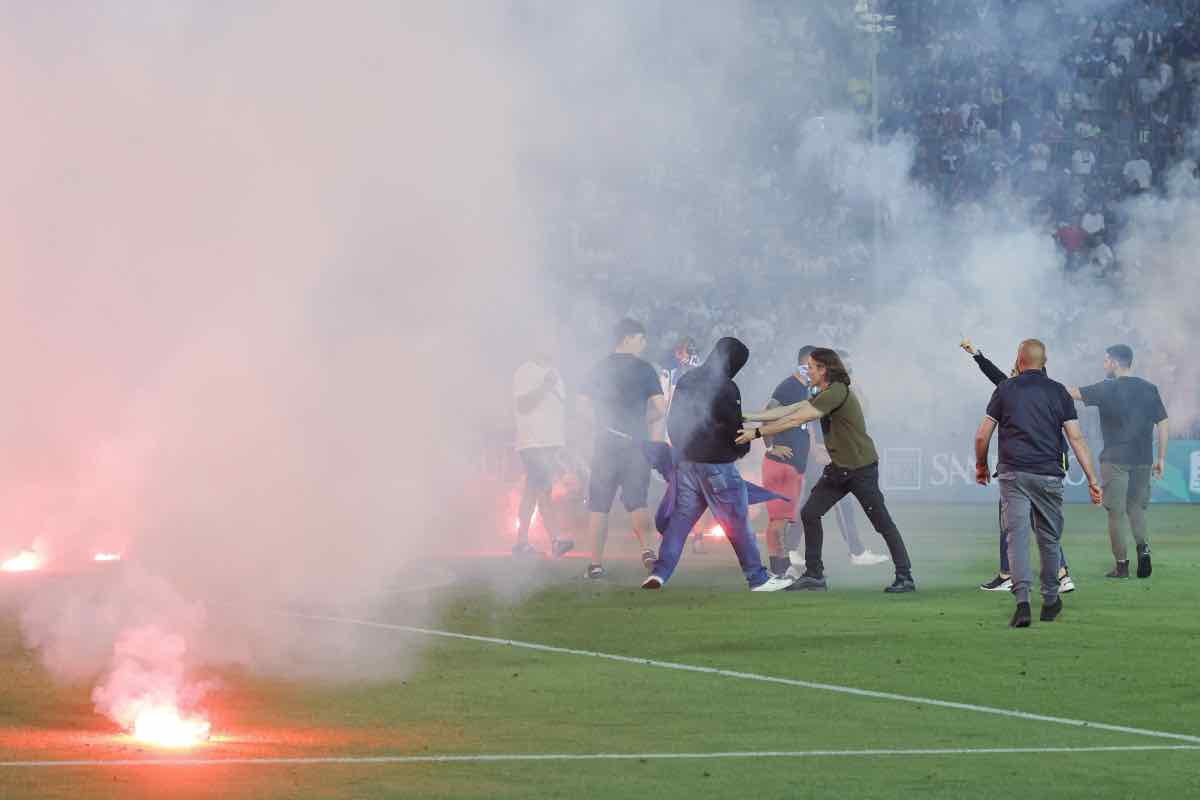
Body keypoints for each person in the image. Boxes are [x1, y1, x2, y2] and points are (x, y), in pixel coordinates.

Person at [739, 348, 915, 593]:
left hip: (860, 469)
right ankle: (815, 575)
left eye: (811, 366)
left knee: (882, 522)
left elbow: (795, 419)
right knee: (810, 513)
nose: (807, 370)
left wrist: (756, 432)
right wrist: (750, 415)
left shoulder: (837, 392)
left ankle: (905, 576)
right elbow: (791, 409)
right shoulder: (823, 392)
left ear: (823, 369)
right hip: (839, 469)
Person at [642, 338, 793, 592]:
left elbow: (673, 422)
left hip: (688, 464)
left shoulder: (687, 380)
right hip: (718, 468)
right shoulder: (727, 388)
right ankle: (758, 578)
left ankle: (660, 573)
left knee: (679, 523)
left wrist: (682, 450)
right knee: (738, 523)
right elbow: (735, 430)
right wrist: (740, 449)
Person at [974, 340, 1102, 629]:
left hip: (1012, 475)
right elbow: (1076, 439)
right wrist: (1093, 479)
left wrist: (981, 466)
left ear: (1019, 361)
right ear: (1044, 362)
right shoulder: (1059, 392)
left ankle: (1022, 603)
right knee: (1048, 539)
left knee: (1016, 538)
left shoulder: (1004, 389)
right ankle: (1050, 600)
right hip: (1048, 475)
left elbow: (982, 435)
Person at [960, 338, 1075, 594]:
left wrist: (976, 354)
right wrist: (976, 354)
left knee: (1014, 524)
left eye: (1014, 370)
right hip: (1047, 467)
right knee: (1041, 524)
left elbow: (996, 380)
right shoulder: (1049, 393)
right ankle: (1060, 574)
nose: (1011, 375)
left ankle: (1012, 575)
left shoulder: (1014, 391)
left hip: (1022, 469)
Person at [762, 346, 886, 579]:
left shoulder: (832, 389)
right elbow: (793, 416)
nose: (848, 369)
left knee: (811, 505)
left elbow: (855, 412)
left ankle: (796, 555)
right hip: (810, 455)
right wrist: (766, 439)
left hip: (813, 454)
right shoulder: (796, 387)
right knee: (806, 508)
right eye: (809, 366)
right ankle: (795, 560)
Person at [1068, 344, 1169, 579]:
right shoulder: (1149, 388)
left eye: (1105, 361)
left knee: (1116, 513)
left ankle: (1121, 566)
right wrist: (1161, 458)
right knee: (1137, 508)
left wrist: (1039, 382)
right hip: (1143, 458)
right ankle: (1143, 550)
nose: (1104, 365)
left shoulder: (1106, 388)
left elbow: (1071, 393)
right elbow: (1163, 423)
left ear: (1114, 363)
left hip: (1115, 460)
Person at [576, 318, 667, 579]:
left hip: (605, 445)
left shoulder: (599, 368)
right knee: (638, 501)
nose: (644, 344)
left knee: (599, 505)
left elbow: (581, 404)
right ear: (627, 338)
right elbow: (660, 409)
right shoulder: (645, 369)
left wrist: (596, 422)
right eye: (641, 339)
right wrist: (641, 423)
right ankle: (648, 552)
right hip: (635, 446)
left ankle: (594, 566)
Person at [511, 348, 575, 557]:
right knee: (543, 489)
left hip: (551, 444)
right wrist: (545, 385)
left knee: (533, 491)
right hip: (534, 443)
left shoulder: (556, 373)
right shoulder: (525, 371)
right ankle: (555, 539)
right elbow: (523, 404)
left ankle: (522, 543)